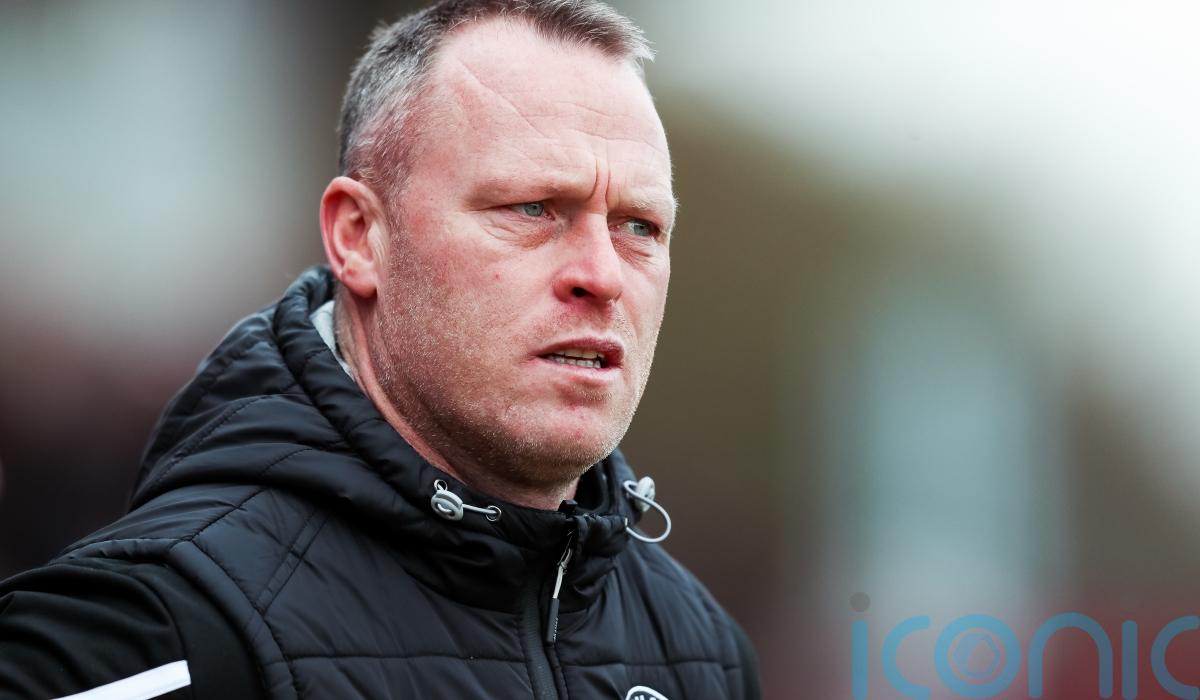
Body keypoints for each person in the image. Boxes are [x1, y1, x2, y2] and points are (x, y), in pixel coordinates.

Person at [0, 1, 760, 698]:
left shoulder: (703, 655)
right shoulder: (155, 634)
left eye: (639, 227)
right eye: (532, 208)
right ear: (360, 237)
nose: (602, 275)